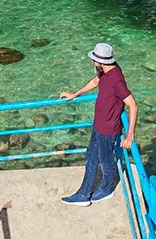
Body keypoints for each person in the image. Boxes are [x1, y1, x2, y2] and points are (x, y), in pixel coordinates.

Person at [59, 43, 138, 206]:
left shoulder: (117, 80)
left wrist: (130, 134)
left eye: (93, 60)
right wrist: (75, 94)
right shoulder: (108, 70)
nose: (92, 63)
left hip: (108, 130)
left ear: (100, 62)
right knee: (91, 157)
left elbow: (132, 105)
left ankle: (107, 189)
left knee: (106, 161)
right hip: (99, 125)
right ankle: (83, 194)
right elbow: (96, 81)